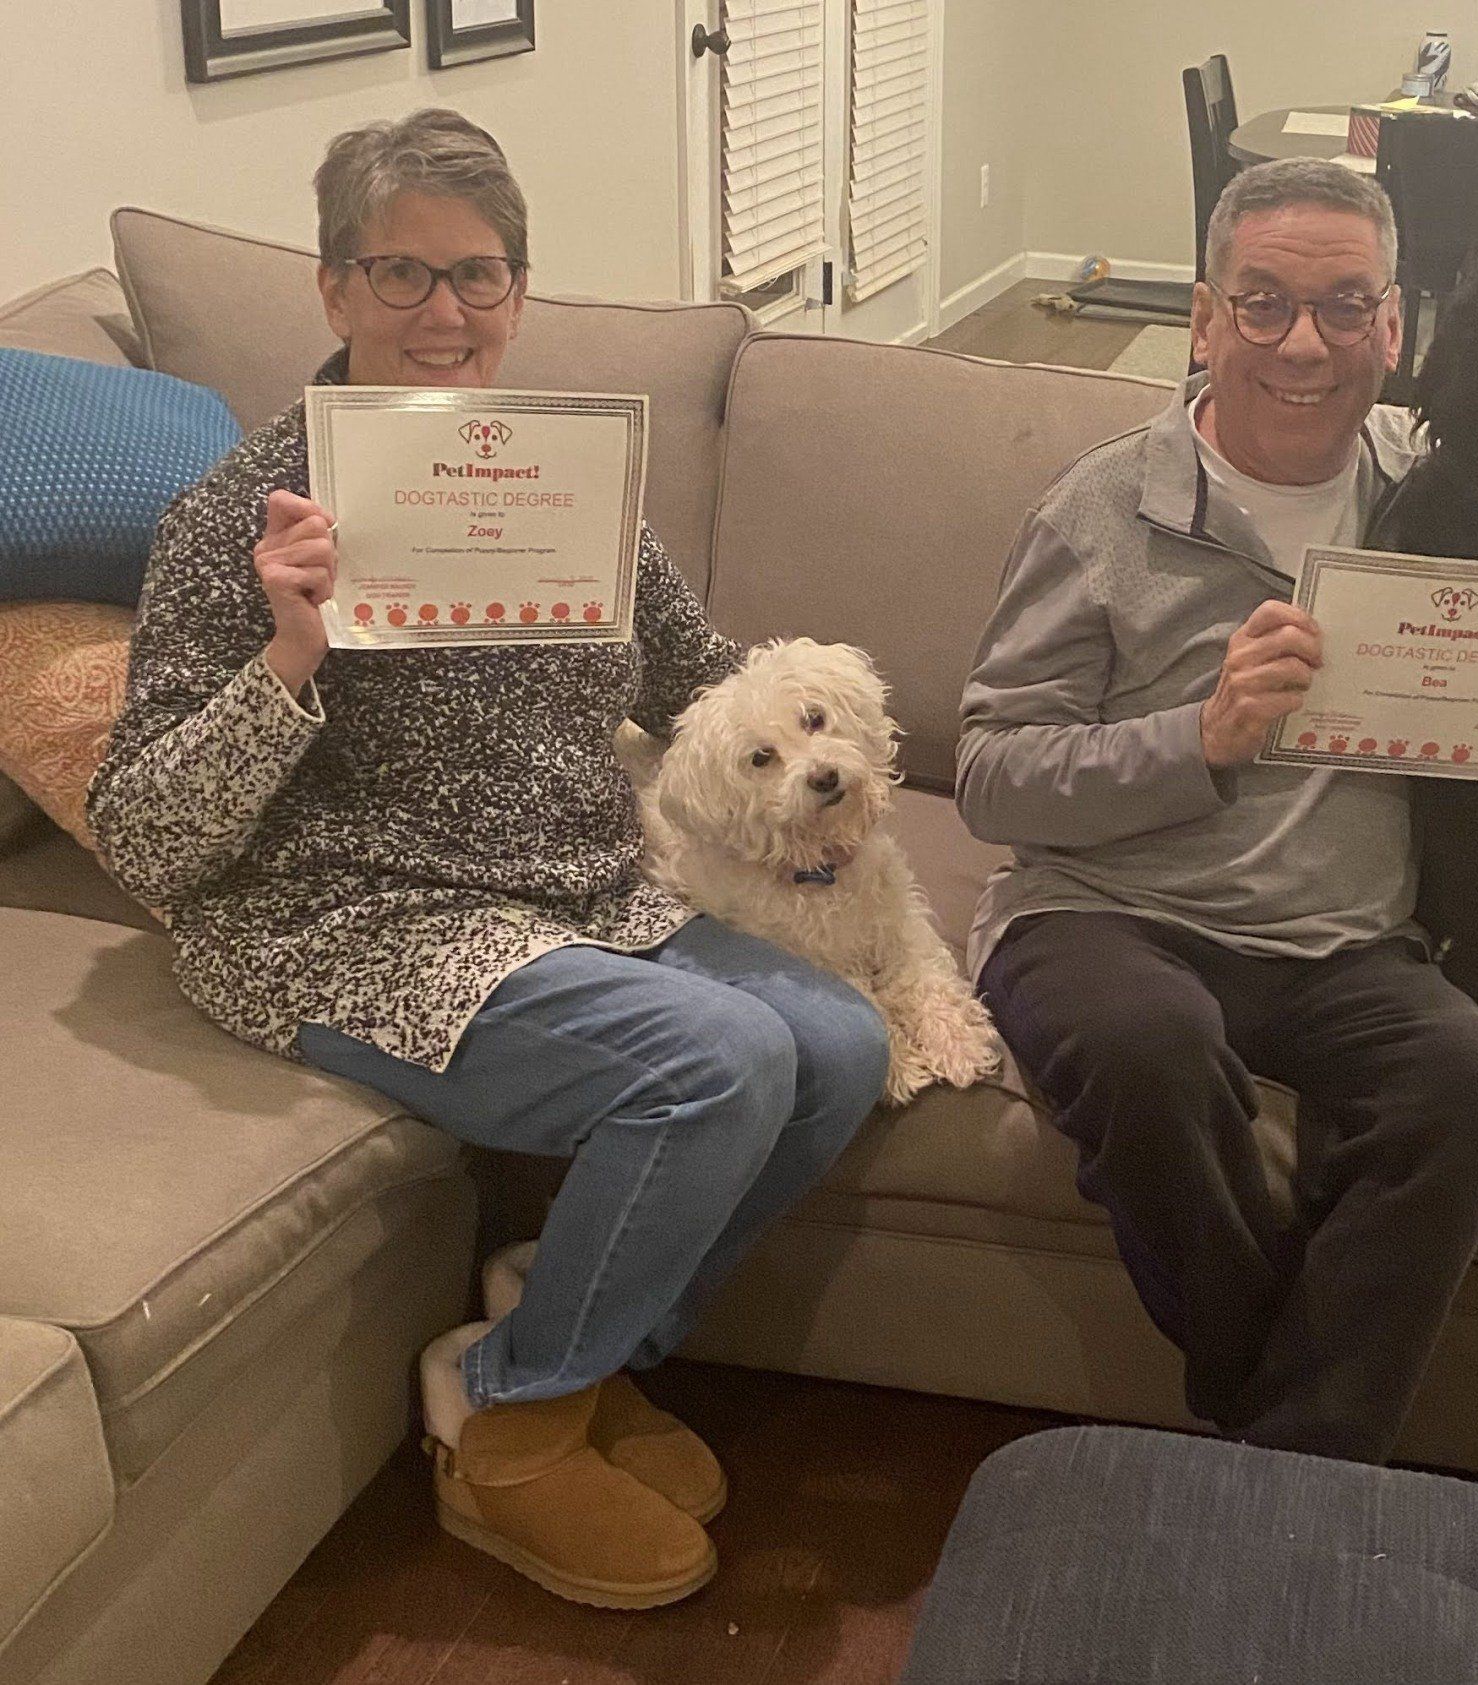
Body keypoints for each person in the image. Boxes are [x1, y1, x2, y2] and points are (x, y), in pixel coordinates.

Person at [87, 109, 888, 1609]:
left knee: (837, 1039)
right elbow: (145, 832)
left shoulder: (565, 482)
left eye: (481, 276)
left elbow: (703, 688)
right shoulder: (232, 520)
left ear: (520, 290)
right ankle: (508, 1425)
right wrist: (288, 653)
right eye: (402, 273)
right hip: (353, 917)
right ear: (331, 289)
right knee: (716, 1057)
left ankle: (566, 1340)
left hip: (583, 893)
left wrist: (825, 751)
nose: (446, 314)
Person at [956, 159, 1478, 1462]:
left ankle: (1275, 1469)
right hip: (1109, 914)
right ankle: (1292, 1442)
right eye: (1262, 303)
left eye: (1344, 307)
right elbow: (991, 774)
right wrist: (1198, 740)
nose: (1302, 344)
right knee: (1149, 1045)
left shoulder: (1442, 509)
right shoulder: (1104, 509)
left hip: (1341, 940)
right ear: (1206, 320)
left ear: (1395, 329)